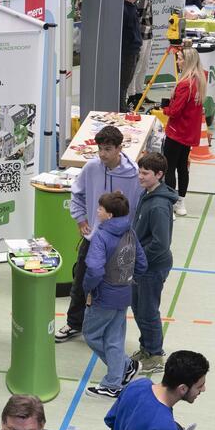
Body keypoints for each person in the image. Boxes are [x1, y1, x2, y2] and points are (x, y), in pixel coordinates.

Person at [56, 126, 142, 344]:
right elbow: (77, 193)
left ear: (119, 148)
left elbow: (138, 207)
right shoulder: (92, 167)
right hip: (93, 238)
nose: (103, 154)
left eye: (108, 149)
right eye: (100, 149)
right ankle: (74, 323)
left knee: (112, 287)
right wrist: (81, 219)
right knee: (81, 283)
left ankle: (107, 329)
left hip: (118, 243)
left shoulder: (132, 174)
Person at [82, 192, 147, 398]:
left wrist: (88, 288)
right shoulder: (130, 232)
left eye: (100, 208)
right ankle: (120, 373)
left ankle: (116, 377)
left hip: (104, 296)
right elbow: (142, 263)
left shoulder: (101, 236)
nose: (97, 211)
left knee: (91, 335)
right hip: (123, 294)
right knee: (114, 338)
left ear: (109, 215)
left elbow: (94, 269)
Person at [131, 154, 176, 376]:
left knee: (148, 311)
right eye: (140, 171)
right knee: (138, 308)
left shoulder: (158, 205)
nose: (140, 176)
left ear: (159, 174)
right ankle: (146, 348)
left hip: (152, 267)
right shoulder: (147, 194)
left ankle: (156, 355)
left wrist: (138, 259)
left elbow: (161, 243)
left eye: (145, 173)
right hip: (141, 265)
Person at [160, 46, 205, 213]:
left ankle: (170, 205)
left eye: (179, 58)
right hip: (188, 134)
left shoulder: (185, 84)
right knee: (182, 167)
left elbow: (175, 111)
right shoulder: (199, 80)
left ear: (186, 61)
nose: (177, 62)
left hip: (177, 132)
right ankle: (181, 203)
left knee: (169, 167)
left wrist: (164, 109)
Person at [121, 0, 147, 106]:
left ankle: (122, 105)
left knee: (127, 80)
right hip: (128, 52)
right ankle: (121, 107)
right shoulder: (124, 8)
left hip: (134, 50)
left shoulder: (133, 6)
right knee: (124, 82)